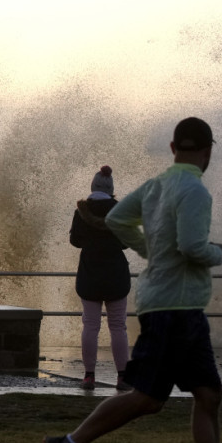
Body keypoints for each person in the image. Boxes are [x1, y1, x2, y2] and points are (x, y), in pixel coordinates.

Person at [42, 117, 222, 443]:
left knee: (210, 394)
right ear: (208, 150)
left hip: (176, 305)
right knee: (147, 398)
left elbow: (115, 220)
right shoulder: (195, 190)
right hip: (173, 308)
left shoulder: (156, 186)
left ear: (172, 147)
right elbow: (194, 247)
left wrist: (148, 250)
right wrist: (219, 253)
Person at [69, 165, 132, 391]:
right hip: (116, 275)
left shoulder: (81, 212)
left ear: (93, 186)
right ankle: (123, 377)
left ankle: (89, 376)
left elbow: (75, 241)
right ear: (111, 188)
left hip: (90, 274)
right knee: (118, 327)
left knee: (90, 326)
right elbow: (126, 242)